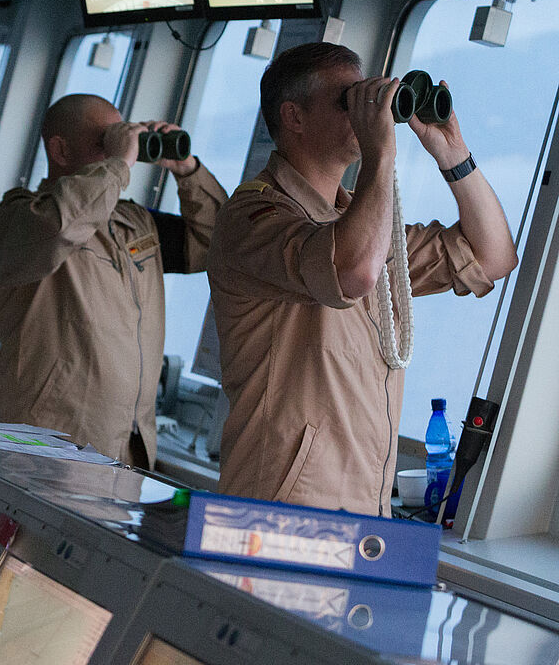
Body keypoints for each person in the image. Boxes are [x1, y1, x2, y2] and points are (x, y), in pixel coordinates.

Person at [206, 43, 518, 516]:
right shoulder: (252, 216)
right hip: (280, 505)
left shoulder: (362, 223)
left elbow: (492, 256)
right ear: (294, 116)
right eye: (346, 100)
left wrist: (452, 154)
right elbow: (351, 270)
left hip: (362, 506)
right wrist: (381, 154)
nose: (364, 110)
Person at [0, 94, 228, 469]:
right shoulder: (21, 216)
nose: (122, 149)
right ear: (60, 150)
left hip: (126, 446)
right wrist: (118, 165)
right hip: (45, 442)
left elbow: (219, 245)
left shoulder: (134, 222)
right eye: (107, 141)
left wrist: (188, 170)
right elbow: (62, 226)